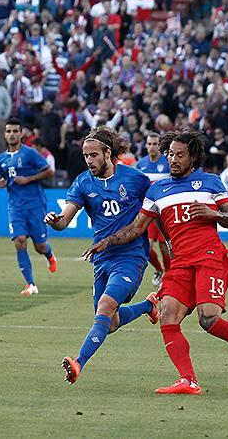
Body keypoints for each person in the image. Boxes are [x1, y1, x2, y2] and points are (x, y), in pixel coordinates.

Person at [83, 130, 228, 396]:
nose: (173, 160)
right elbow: (136, 228)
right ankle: (188, 380)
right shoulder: (157, 190)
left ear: (193, 157)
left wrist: (212, 214)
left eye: (180, 155)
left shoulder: (210, 182)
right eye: (170, 154)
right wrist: (107, 241)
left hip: (209, 258)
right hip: (180, 263)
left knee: (209, 320)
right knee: (167, 315)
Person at [45, 126, 158, 384]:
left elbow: (155, 210)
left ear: (108, 153)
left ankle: (78, 363)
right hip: (102, 259)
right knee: (110, 322)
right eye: (86, 156)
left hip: (131, 257)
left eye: (93, 155)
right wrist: (55, 221)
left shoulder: (136, 179)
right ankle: (148, 306)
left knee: (105, 308)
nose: (89, 160)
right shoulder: (83, 182)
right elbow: (64, 220)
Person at [0, 118, 57, 295]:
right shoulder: (0, 159)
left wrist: (28, 179)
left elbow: (49, 171)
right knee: (20, 241)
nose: (12, 135)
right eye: (9, 131)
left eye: (15, 131)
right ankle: (31, 284)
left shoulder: (30, 154)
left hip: (35, 204)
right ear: (5, 134)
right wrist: (1, 182)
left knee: (40, 246)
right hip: (15, 205)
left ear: (21, 133)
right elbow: (3, 178)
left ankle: (49, 255)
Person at [136, 132, 171, 287]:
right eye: (149, 144)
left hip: (164, 211)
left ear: (159, 146)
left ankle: (169, 276)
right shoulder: (141, 164)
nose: (152, 147)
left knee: (165, 247)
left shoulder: (167, 163)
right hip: (149, 211)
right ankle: (158, 269)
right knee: (147, 246)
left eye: (155, 144)